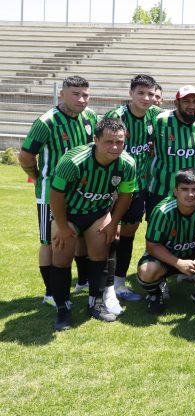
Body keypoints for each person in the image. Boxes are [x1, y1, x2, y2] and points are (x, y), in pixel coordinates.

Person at [48, 118, 137, 331]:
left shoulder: (127, 163)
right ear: (95, 139)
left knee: (100, 253)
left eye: (119, 142)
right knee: (61, 256)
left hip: (98, 212)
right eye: (108, 141)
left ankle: (95, 303)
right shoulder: (73, 161)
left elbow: (125, 196)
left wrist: (113, 223)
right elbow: (56, 195)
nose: (115, 147)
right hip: (68, 213)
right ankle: (63, 308)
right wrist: (62, 226)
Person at [19, 75, 97, 308]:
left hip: (82, 191)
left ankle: (82, 281)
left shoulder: (90, 116)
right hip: (52, 194)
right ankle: (51, 293)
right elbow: (25, 156)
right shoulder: (46, 122)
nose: (81, 99)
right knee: (50, 242)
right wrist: (38, 176)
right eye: (75, 94)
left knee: (81, 236)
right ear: (62, 94)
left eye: (85, 94)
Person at [101, 74, 161, 309]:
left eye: (151, 94)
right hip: (116, 187)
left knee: (128, 234)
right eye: (141, 93)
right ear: (131, 94)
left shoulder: (155, 115)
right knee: (110, 235)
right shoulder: (117, 116)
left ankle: (118, 283)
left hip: (141, 187)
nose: (146, 98)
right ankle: (104, 287)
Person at [137, 168, 195, 314]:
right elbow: (152, 246)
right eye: (184, 189)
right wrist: (179, 263)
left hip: (194, 252)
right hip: (167, 256)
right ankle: (156, 294)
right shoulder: (162, 211)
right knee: (147, 271)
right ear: (176, 191)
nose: (190, 194)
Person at [146, 85, 195, 217]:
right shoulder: (161, 121)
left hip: (193, 194)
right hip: (162, 191)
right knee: (157, 234)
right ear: (176, 103)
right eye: (186, 101)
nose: (191, 105)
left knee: (191, 234)